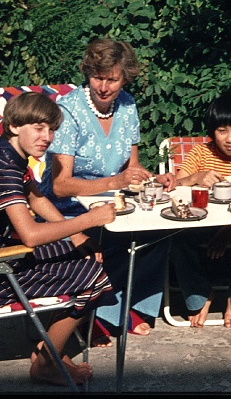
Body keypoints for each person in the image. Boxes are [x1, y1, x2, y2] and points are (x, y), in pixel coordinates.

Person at [0, 91, 116, 387]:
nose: (47, 137)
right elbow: (31, 235)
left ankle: (50, 345)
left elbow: (35, 199)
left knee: (79, 253)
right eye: (38, 128)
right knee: (95, 278)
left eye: (51, 130)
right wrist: (90, 219)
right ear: (14, 126)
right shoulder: (3, 170)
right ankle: (47, 361)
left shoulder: (6, 154)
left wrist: (76, 234)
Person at [38, 37, 177, 347]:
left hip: (112, 203)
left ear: (124, 77)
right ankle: (100, 315)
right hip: (67, 208)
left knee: (159, 231)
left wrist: (155, 179)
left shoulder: (127, 105)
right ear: (87, 74)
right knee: (111, 237)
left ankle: (130, 307)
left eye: (112, 79)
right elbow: (61, 185)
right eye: (97, 77)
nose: (104, 86)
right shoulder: (68, 110)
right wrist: (115, 183)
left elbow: (134, 168)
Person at [171, 93, 231, 328]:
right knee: (177, 240)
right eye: (222, 131)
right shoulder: (201, 153)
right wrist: (197, 177)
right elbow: (175, 185)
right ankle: (200, 296)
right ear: (212, 131)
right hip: (203, 223)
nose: (229, 139)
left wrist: (226, 232)